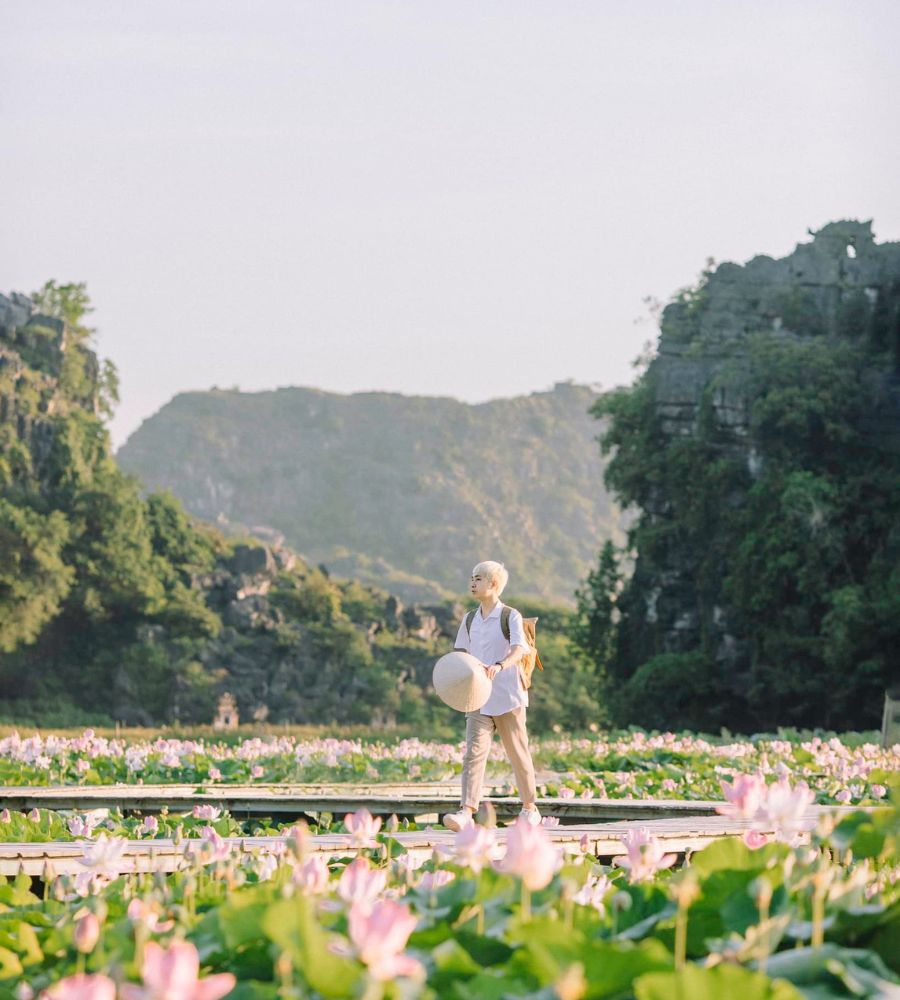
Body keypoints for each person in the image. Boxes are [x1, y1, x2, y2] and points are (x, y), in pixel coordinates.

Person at [442, 561, 540, 831]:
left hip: (508, 695)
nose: (473, 583)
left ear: (493, 584)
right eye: (472, 578)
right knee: (473, 753)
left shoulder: (511, 616)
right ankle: (466, 811)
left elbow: (520, 649)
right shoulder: (469, 618)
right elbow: (462, 652)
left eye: (478, 579)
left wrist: (499, 666)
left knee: (518, 752)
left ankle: (530, 807)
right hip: (478, 697)